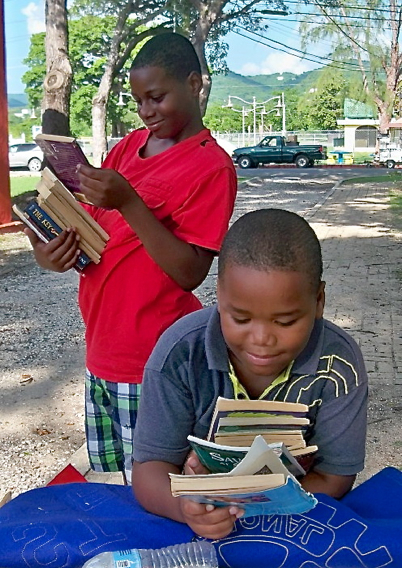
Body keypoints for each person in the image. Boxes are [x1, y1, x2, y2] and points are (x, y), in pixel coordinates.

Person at [25, 32, 237, 483]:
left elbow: (189, 272)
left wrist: (130, 202)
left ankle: (168, 557)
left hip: (152, 359)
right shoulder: (125, 150)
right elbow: (88, 230)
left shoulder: (210, 166)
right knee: (110, 484)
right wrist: (48, 249)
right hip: (101, 351)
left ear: (195, 84)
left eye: (157, 97)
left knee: (156, 484)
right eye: (139, 100)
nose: (146, 112)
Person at [132, 208, 368, 539]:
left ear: (318, 301)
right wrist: (187, 508)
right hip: (196, 531)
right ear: (220, 295)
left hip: (295, 529)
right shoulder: (181, 354)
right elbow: (148, 471)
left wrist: (251, 504)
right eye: (240, 319)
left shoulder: (338, 364)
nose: (261, 340)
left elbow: (336, 477)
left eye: (285, 322)